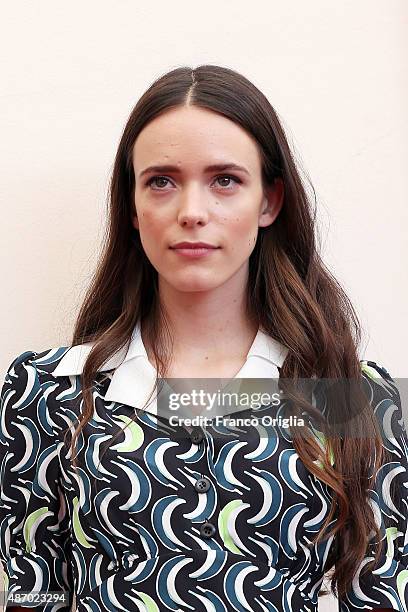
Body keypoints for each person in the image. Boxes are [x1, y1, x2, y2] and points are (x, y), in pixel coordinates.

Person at [0, 65, 406, 612]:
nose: (192, 213)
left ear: (269, 202)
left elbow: (379, 595)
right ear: (133, 207)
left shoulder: (348, 395)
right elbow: (34, 595)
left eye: (225, 180)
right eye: (161, 181)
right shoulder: (46, 391)